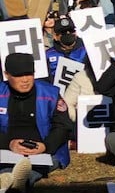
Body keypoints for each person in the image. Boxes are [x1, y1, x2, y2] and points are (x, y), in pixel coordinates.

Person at [0, 53, 71, 182]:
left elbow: (63, 126)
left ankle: (15, 180)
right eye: (18, 75)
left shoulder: (51, 93)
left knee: (38, 166)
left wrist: (45, 146)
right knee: (8, 164)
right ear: (6, 75)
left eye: (29, 74)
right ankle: (13, 179)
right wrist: (8, 144)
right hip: (7, 149)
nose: (25, 80)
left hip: (44, 150)